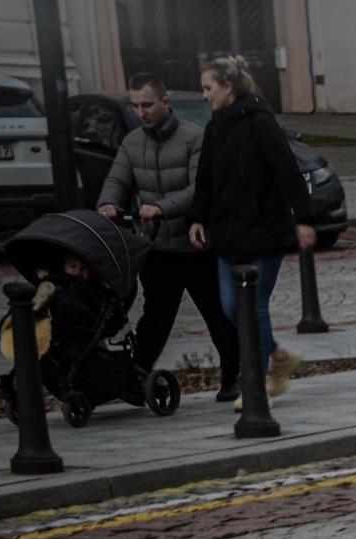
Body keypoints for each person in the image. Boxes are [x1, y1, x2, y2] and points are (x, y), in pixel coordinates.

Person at [95, 72, 238, 402]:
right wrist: (108, 203)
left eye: (147, 104)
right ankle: (137, 376)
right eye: (135, 106)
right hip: (157, 247)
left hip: (196, 244)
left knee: (217, 314)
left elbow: (199, 189)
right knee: (156, 315)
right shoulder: (133, 142)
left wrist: (161, 208)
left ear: (165, 102)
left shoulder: (194, 138)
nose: (141, 112)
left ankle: (233, 376)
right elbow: (118, 179)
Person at [189, 55, 316, 403]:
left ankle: (256, 385)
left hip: (265, 231)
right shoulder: (215, 126)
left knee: (254, 306)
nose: (204, 95)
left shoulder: (260, 121)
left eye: (208, 88)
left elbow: (288, 171)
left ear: (228, 87)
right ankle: (278, 357)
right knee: (231, 307)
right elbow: (206, 178)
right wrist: (198, 217)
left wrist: (303, 220)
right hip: (228, 235)